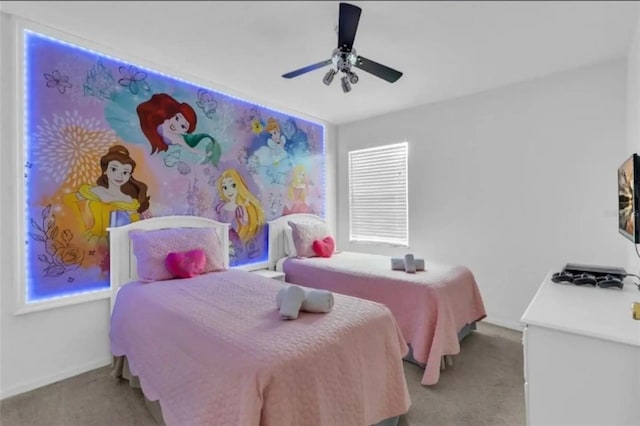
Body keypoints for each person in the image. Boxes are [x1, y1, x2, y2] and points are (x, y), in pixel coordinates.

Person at [64, 145, 150, 240]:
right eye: (114, 169)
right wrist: (81, 226)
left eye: (125, 172)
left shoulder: (128, 201)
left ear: (129, 176)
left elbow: (134, 226)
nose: (119, 176)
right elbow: (68, 201)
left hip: (116, 243)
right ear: (105, 170)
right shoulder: (94, 191)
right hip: (90, 240)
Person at [136, 93, 221, 167]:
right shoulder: (166, 120)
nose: (176, 125)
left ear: (185, 132)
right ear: (173, 115)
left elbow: (191, 149)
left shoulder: (178, 139)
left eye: (183, 126)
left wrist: (205, 154)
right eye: (177, 118)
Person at [215, 168, 265, 244]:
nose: (229, 191)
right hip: (219, 233)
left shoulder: (238, 208)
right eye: (225, 187)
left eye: (233, 185)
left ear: (239, 185)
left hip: (230, 234)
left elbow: (244, 222)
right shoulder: (221, 206)